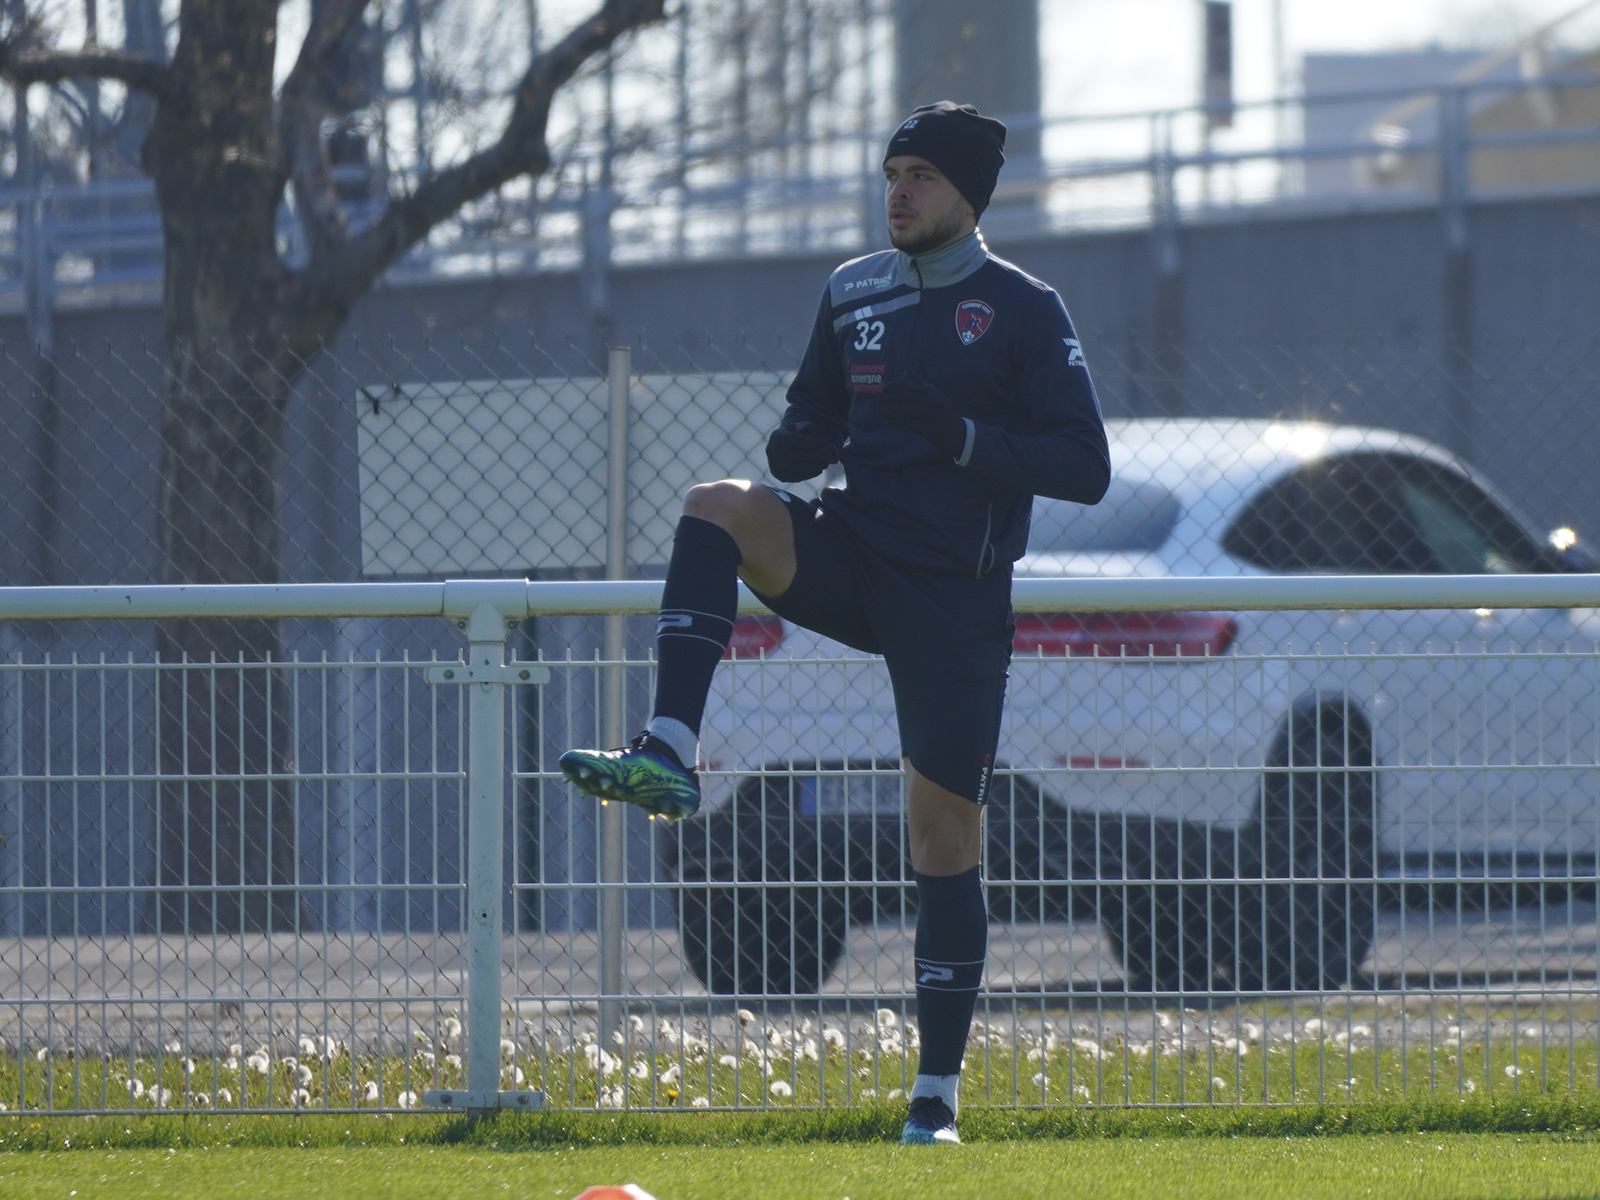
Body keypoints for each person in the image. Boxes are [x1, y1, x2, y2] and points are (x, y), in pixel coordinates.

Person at [560, 101, 1110, 1145]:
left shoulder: (1025, 309)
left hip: (953, 597)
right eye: (892, 171)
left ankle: (935, 1100)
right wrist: (799, 438)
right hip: (854, 556)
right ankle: (670, 749)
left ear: (968, 197)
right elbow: (804, 428)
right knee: (715, 505)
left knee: (942, 837)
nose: (898, 191)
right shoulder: (850, 291)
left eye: (921, 177)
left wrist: (956, 436)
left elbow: (1084, 466)